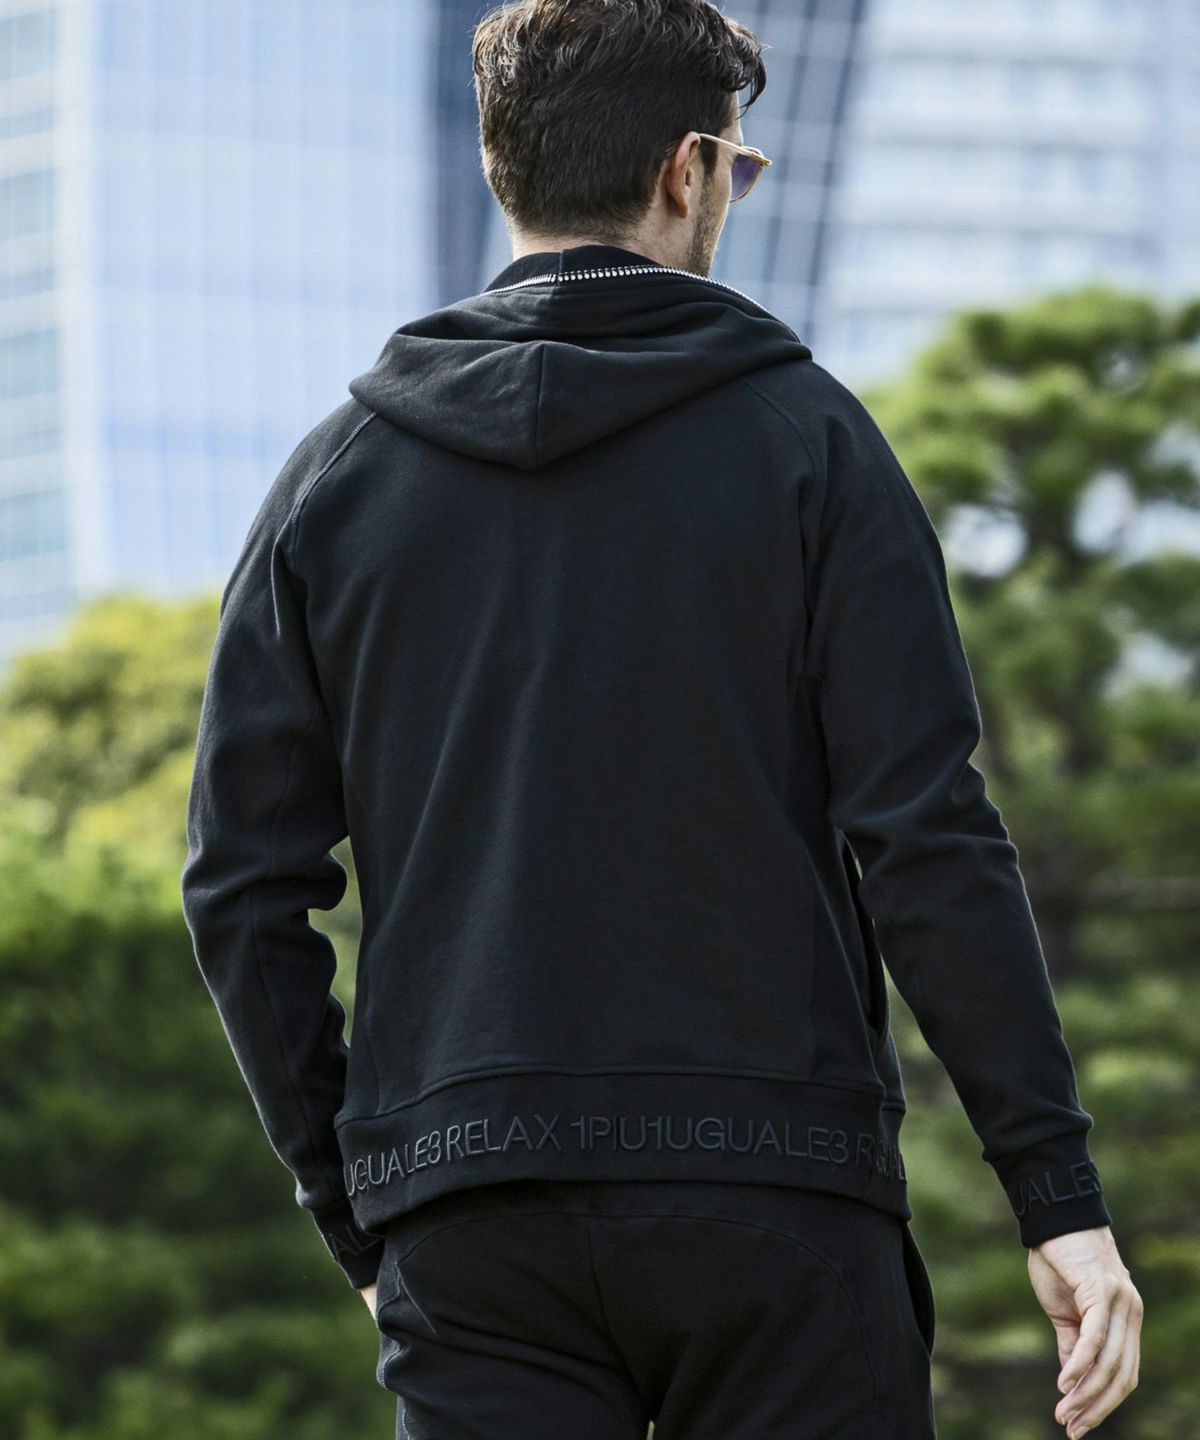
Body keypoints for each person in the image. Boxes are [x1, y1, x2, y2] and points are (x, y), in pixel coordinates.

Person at [179, 2, 1143, 1436]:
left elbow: (241, 887)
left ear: (505, 165)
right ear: (685, 172)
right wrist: (1055, 1197)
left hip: (473, 1219)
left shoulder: (337, 479)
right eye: (739, 169)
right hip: (777, 1198)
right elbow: (929, 839)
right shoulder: (813, 444)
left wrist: (358, 1205)